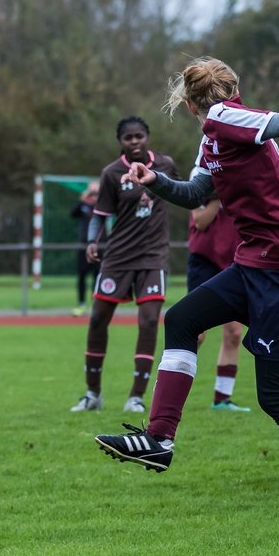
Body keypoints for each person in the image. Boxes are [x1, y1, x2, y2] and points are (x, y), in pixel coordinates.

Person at [93, 56, 279, 556]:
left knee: (276, 396)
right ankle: (159, 440)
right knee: (181, 320)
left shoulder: (223, 118)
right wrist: (153, 181)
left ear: (190, 104)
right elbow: (195, 195)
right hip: (252, 266)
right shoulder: (214, 138)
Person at [71, 117, 180, 413]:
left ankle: (136, 397)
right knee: (97, 320)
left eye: (139, 136)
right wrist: (93, 241)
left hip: (153, 256)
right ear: (120, 141)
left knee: (147, 321)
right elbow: (99, 214)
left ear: (147, 137)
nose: (134, 141)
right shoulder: (111, 173)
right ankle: (92, 394)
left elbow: (185, 193)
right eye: (128, 137)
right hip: (117, 257)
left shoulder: (166, 166)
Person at [186, 188, 251, 412]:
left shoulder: (244, 177)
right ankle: (169, 387)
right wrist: (216, 193)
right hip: (205, 261)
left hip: (236, 259)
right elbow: (200, 221)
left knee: (233, 333)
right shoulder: (202, 176)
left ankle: (222, 399)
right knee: (196, 333)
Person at [69, 180, 100, 316]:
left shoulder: (103, 206)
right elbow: (72, 213)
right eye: (92, 191)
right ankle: (81, 304)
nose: (93, 195)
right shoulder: (83, 206)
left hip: (101, 245)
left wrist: (100, 197)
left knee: (98, 275)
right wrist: (83, 199)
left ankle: (96, 304)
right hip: (84, 245)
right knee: (82, 275)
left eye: (96, 192)